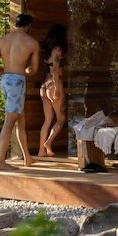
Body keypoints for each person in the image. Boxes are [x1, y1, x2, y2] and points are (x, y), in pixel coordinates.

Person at [0, 13, 40, 170]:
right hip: (17, 82)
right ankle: (0, 161)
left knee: (20, 119)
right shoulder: (32, 42)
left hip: (5, 80)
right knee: (10, 121)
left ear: (16, 24)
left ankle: (27, 158)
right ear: (28, 26)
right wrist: (25, 70)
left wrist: (3, 72)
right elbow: (34, 69)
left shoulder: (3, 40)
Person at [38, 23, 67, 157]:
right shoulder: (58, 49)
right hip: (54, 84)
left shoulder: (46, 49)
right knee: (61, 119)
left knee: (47, 120)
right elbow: (55, 69)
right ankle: (48, 142)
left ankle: (41, 152)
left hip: (44, 86)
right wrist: (56, 89)